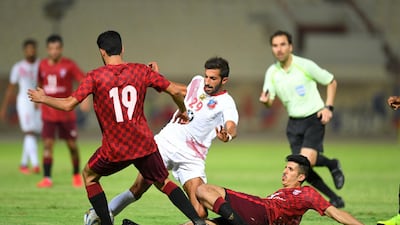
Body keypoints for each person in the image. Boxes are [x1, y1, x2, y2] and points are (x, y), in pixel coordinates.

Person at [28, 30, 206, 225]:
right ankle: (197, 221)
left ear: (102, 52)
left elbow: (68, 104)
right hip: (143, 145)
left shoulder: (95, 77)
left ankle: (106, 222)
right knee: (163, 182)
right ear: (122, 49)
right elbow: (173, 91)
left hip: (115, 148)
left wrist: (43, 98)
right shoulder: (141, 70)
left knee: (89, 176)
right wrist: (183, 110)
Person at [85, 57, 239, 224]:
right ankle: (102, 214)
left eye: (213, 78)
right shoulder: (197, 81)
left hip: (192, 158)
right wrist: (158, 77)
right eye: (206, 76)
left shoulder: (226, 103)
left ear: (224, 80)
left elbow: (232, 126)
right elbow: (182, 89)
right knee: (138, 189)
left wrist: (228, 135)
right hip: (165, 144)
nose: (207, 81)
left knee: (199, 213)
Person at [259, 30, 345, 208]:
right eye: (275, 45)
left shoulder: (304, 65)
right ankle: (333, 194)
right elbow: (269, 100)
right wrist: (266, 102)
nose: (279, 49)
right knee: (301, 167)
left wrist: (328, 107)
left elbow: (331, 81)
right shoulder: (272, 72)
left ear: (290, 46)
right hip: (293, 123)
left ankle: (331, 164)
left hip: (314, 117)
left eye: (283, 44)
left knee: (306, 161)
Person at [194, 154, 364, 225]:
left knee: (203, 190)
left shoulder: (307, 193)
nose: (284, 171)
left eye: (290, 169)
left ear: (301, 177)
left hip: (263, 211)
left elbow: (336, 213)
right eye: (285, 167)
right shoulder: (280, 193)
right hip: (256, 216)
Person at [36, 34, 89, 188]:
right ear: (47, 49)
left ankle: (75, 174)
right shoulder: (42, 65)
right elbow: (40, 82)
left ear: (61, 49)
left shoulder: (69, 65)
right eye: (51, 48)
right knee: (47, 145)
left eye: (57, 48)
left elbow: (84, 80)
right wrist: (38, 100)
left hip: (66, 113)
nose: (54, 51)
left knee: (72, 146)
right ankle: (47, 177)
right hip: (48, 114)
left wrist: (85, 99)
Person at [0, 39, 41, 174]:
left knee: (33, 132)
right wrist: (4, 107)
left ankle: (23, 164)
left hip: (37, 102)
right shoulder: (18, 67)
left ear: (35, 50)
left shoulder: (40, 65)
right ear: (24, 51)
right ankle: (35, 164)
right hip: (24, 102)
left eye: (32, 49)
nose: (30, 52)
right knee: (29, 132)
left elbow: (43, 83)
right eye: (28, 49)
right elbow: (10, 88)